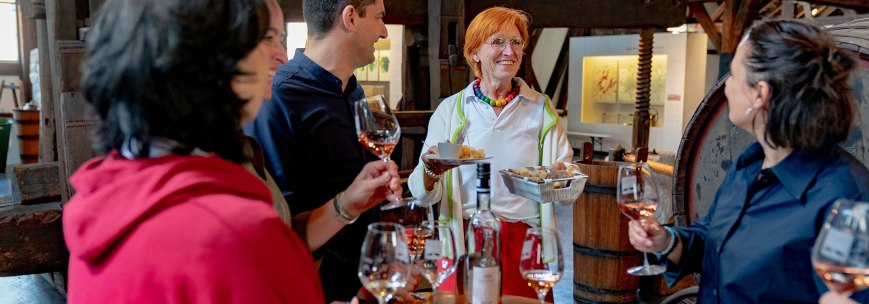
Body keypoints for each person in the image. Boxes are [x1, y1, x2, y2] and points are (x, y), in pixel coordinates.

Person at [64, 0, 396, 302]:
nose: (282, 56)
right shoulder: (233, 233)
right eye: (268, 38)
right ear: (206, 56)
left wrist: (348, 204)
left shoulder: (102, 206)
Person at [628, 20, 869, 303]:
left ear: (760, 94)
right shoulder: (751, 166)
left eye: (732, 75)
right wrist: (668, 241)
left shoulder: (847, 200)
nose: (726, 86)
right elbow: (714, 240)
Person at [408, 7, 574, 300]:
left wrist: (561, 176)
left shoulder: (541, 108)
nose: (508, 51)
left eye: (516, 42)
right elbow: (422, 193)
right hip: (461, 240)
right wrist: (432, 171)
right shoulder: (451, 111)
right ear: (474, 53)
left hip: (523, 241)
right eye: (497, 42)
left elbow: (565, 187)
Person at [244, 0, 394, 301]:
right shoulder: (279, 98)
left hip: (365, 287)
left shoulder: (354, 91)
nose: (384, 32)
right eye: (379, 18)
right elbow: (280, 226)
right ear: (350, 18)